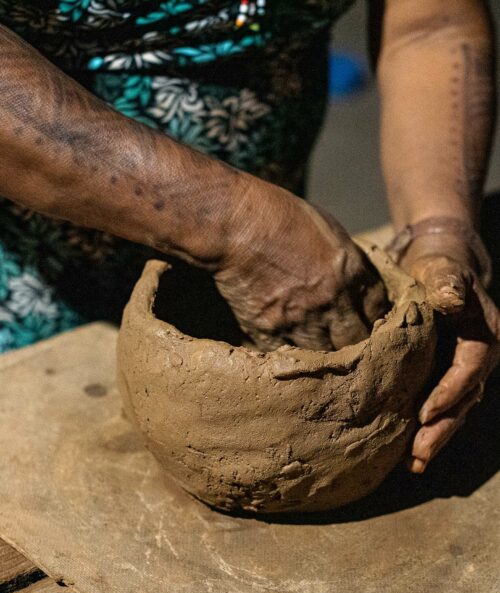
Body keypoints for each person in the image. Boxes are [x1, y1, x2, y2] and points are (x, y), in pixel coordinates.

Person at [0, 0, 498, 475]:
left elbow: (429, 25)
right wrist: (239, 226)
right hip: (34, 275)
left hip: (291, 266)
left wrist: (440, 231)